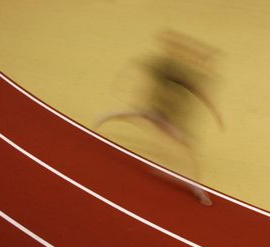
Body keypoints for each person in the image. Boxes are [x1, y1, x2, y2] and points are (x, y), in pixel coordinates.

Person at [94, 30, 223, 206]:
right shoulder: (166, 67)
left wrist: (214, 111)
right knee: (141, 117)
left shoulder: (176, 70)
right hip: (159, 112)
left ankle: (197, 189)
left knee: (184, 146)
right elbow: (139, 64)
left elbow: (197, 89)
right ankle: (198, 190)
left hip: (170, 117)